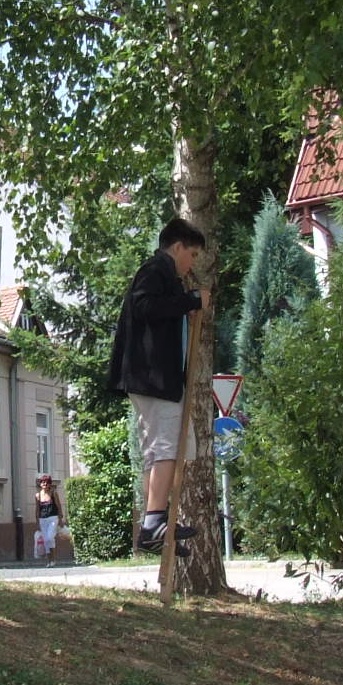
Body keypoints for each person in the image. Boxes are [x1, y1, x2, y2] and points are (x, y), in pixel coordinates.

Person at [107, 218, 209, 553]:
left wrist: (184, 304)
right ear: (177, 247)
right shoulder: (155, 270)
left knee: (158, 450)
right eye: (192, 254)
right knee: (167, 447)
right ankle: (153, 522)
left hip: (153, 378)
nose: (191, 263)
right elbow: (144, 306)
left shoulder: (165, 275)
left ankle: (155, 518)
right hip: (154, 378)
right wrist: (191, 300)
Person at [33, 474, 63, 561]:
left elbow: (59, 506)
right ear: (40, 484)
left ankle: (52, 558)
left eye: (47, 482)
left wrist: (60, 519)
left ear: (50, 484)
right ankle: (50, 560)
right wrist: (37, 522)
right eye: (43, 482)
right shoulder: (38, 495)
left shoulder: (53, 493)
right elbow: (37, 509)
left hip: (53, 518)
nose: (45, 484)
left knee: (50, 538)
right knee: (46, 540)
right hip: (42, 519)